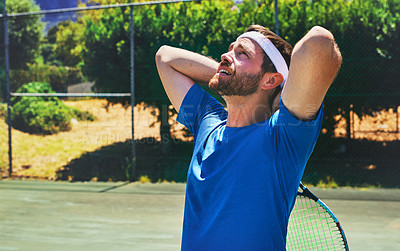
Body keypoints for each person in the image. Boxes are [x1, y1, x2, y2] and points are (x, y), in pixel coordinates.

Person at [155, 24, 342, 250]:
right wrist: (227, 72)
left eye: (242, 53)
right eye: (231, 49)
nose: (226, 55)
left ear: (271, 81)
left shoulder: (283, 135)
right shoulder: (207, 121)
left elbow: (319, 42)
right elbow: (165, 57)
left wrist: (277, 91)